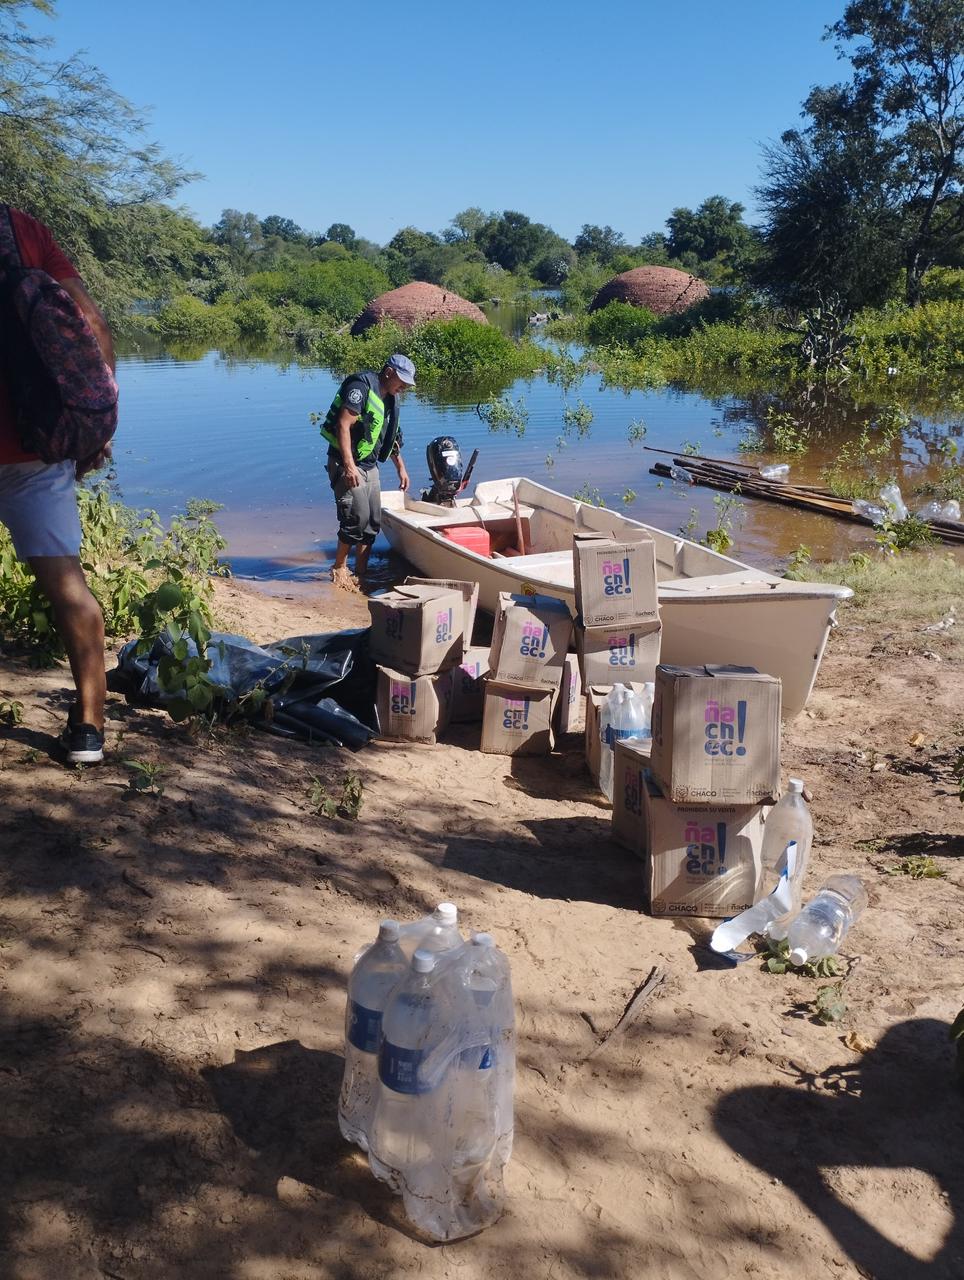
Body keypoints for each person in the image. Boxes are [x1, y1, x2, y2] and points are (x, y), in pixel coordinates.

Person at [0, 205, 115, 765]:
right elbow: (91, 323)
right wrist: (96, 427)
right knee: (68, 583)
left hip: (32, 448)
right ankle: (89, 727)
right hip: (34, 443)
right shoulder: (20, 229)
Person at [318, 353, 413, 589]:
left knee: (372, 522)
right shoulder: (361, 386)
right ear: (389, 372)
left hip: (370, 466)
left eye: (406, 384)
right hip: (347, 463)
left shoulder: (390, 398)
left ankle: (361, 572)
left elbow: (388, 437)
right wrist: (349, 465)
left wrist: (401, 467)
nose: (403, 387)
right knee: (355, 518)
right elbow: (343, 424)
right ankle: (339, 568)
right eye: (401, 381)